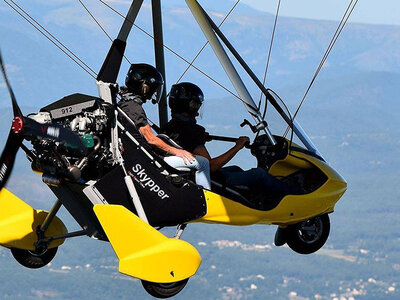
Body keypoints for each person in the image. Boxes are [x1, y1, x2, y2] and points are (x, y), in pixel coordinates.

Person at [162, 82, 296, 200]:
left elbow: (185, 143)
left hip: (189, 176)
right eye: (196, 104)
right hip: (209, 181)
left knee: (236, 168)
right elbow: (211, 166)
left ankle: (257, 197)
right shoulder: (192, 131)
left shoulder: (170, 127)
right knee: (260, 175)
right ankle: (292, 196)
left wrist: (200, 139)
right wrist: (237, 147)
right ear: (191, 105)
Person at [118, 64, 211, 189]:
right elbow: (150, 139)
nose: (153, 93)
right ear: (144, 87)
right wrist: (178, 151)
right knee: (203, 163)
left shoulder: (125, 104)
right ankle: (207, 199)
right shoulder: (135, 109)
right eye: (153, 88)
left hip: (141, 157)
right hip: (151, 160)